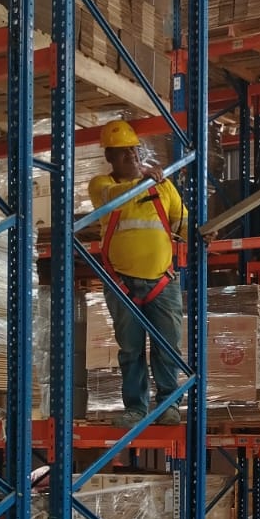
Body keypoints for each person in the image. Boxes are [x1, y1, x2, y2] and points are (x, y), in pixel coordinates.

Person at [89, 118, 186, 427]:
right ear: (109, 156)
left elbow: (181, 220)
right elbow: (114, 198)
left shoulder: (162, 186)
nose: (131, 155)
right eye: (123, 152)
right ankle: (135, 408)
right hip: (122, 284)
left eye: (133, 149)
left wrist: (201, 232)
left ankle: (168, 405)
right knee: (131, 349)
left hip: (162, 282)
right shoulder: (101, 186)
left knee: (167, 346)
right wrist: (145, 181)